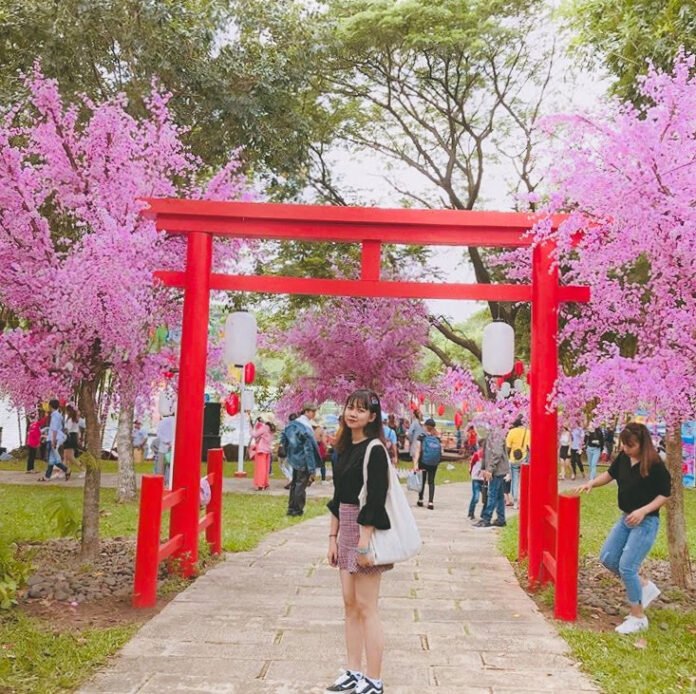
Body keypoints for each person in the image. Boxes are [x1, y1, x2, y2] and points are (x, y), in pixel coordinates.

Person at [575, 422, 671, 634]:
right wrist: (591, 483)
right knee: (608, 558)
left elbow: (664, 494)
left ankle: (638, 616)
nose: (626, 449)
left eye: (631, 445)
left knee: (628, 566)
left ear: (642, 444)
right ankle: (644, 586)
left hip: (645, 522)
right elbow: (609, 475)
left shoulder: (655, 465)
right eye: (624, 445)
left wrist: (643, 511)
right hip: (626, 518)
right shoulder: (623, 459)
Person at [326, 389, 391, 694]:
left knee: (367, 607)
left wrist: (363, 542)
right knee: (349, 604)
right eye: (350, 408)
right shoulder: (342, 448)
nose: (353, 413)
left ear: (372, 417)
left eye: (361, 410)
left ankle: (374, 680)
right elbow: (338, 498)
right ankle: (353, 671)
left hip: (367, 531)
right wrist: (333, 538)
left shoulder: (374, 449)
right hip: (346, 527)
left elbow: (375, 500)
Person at [281, 404, 321, 516]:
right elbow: (308, 449)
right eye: (312, 411)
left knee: (294, 485)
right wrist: (312, 468)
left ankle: (291, 508)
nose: (314, 414)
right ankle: (297, 510)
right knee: (300, 486)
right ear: (306, 411)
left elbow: (284, 440)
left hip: (293, 458)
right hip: (303, 459)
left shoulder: (290, 425)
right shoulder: (305, 427)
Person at [473, 427, 509, 528]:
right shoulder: (491, 432)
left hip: (497, 470)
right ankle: (501, 519)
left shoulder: (497, 433)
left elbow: (497, 453)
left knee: (492, 494)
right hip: (495, 469)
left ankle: (486, 518)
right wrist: (483, 467)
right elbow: (486, 453)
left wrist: (489, 469)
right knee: (499, 496)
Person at [412, 418, 442, 510]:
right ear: (433, 427)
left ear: (425, 426)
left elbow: (417, 450)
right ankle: (430, 502)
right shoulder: (437, 438)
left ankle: (420, 500)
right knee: (431, 481)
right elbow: (441, 451)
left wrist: (415, 463)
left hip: (423, 462)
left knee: (422, 480)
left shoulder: (421, 436)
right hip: (434, 463)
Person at [39, 399, 70, 482]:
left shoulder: (55, 416)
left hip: (53, 439)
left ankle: (66, 470)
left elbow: (55, 429)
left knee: (52, 458)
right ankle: (48, 476)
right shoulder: (57, 415)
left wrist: (53, 441)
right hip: (52, 438)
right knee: (52, 459)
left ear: (50, 406)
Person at [505, 416, 530, 509]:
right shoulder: (528, 432)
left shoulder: (511, 432)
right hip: (525, 459)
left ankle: (515, 502)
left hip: (514, 459)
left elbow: (508, 447)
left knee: (515, 480)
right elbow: (530, 447)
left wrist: (507, 458)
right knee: (524, 481)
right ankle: (524, 500)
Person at [251, 417, 273, 491]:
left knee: (261, 468)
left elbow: (254, 434)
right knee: (266, 468)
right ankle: (265, 483)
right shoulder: (271, 429)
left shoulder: (264, 428)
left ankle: (260, 484)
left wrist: (252, 427)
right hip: (267, 450)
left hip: (261, 450)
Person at [156, 413, 175, 488]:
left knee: (160, 469)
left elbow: (159, 434)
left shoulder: (162, 422)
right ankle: (170, 484)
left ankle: (159, 485)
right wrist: (171, 442)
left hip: (163, 448)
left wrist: (167, 441)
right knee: (172, 469)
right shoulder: (177, 421)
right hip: (173, 448)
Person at [25, 409, 48, 474]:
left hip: (30, 443)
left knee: (31, 456)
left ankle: (29, 468)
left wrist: (46, 417)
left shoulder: (32, 425)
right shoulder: (35, 425)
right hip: (33, 443)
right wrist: (38, 443)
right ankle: (30, 469)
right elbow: (36, 435)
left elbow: (41, 422)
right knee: (32, 456)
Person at [63, 404, 82, 476]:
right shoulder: (73, 419)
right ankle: (64, 470)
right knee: (65, 456)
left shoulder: (71, 420)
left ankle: (82, 469)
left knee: (70, 457)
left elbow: (68, 429)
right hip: (71, 436)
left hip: (70, 437)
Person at [468, 447, 485, 520]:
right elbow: (471, 464)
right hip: (476, 478)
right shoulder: (476, 455)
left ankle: (483, 514)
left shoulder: (488, 456)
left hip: (484, 479)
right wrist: (471, 472)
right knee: (476, 497)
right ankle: (471, 513)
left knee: (486, 498)